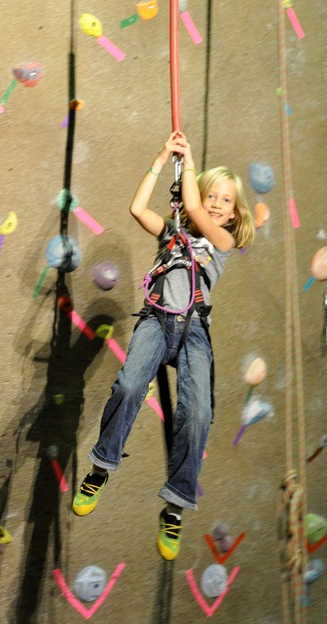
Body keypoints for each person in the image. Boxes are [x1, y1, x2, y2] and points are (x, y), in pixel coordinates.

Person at [72, 131, 255, 560]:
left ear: (233, 214)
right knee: (129, 385)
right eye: (211, 195)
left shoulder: (223, 243)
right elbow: (138, 208)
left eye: (225, 200)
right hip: (157, 321)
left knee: (199, 413)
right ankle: (101, 467)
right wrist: (161, 158)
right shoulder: (173, 233)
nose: (215, 203)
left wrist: (187, 161)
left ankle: (175, 506)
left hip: (193, 330)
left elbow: (193, 207)